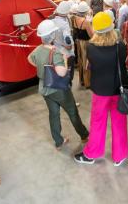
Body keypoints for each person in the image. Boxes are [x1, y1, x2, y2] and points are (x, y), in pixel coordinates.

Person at [74, 12, 128, 166]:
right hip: (118, 90)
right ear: (112, 28)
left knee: (98, 123)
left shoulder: (91, 48)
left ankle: (92, 154)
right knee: (119, 123)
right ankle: (120, 155)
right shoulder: (121, 46)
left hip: (100, 92)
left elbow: (92, 65)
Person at [28, 20, 89, 150]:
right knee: (73, 112)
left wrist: (43, 67)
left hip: (44, 88)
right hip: (59, 90)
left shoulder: (38, 49)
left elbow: (29, 58)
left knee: (53, 114)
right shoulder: (55, 53)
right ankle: (84, 135)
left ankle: (59, 141)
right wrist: (65, 60)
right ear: (53, 35)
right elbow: (61, 73)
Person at [51, 1, 75, 86]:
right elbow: (68, 44)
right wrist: (67, 45)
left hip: (57, 53)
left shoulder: (52, 21)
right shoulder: (64, 25)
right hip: (67, 55)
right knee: (68, 77)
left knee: (60, 75)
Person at [73, 2, 94, 88]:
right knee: (87, 62)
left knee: (81, 61)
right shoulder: (85, 22)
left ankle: (82, 80)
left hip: (78, 42)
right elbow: (91, 35)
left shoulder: (74, 19)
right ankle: (88, 82)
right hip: (85, 43)